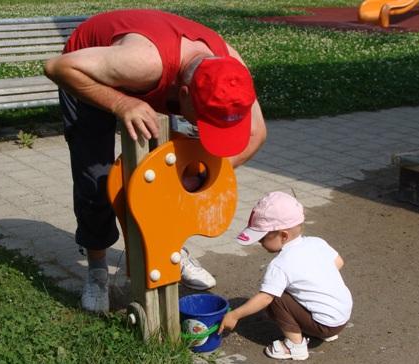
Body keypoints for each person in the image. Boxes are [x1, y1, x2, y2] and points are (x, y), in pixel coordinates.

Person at [44, 9, 267, 313]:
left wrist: (199, 179)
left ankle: (170, 251)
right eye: (204, 120)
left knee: (173, 174)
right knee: (96, 177)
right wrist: (122, 103)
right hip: (85, 72)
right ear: (183, 94)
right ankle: (96, 270)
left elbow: (256, 134)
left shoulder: (231, 71)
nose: (205, 130)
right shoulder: (142, 63)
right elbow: (56, 67)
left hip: (155, 75)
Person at [218, 191, 352, 360]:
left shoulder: (280, 265)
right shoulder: (316, 242)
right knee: (290, 291)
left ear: (283, 235)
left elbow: (265, 298)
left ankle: (295, 346)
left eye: (262, 237)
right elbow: (339, 262)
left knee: (276, 298)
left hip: (324, 324)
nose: (259, 242)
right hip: (341, 317)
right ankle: (322, 330)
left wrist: (234, 315)